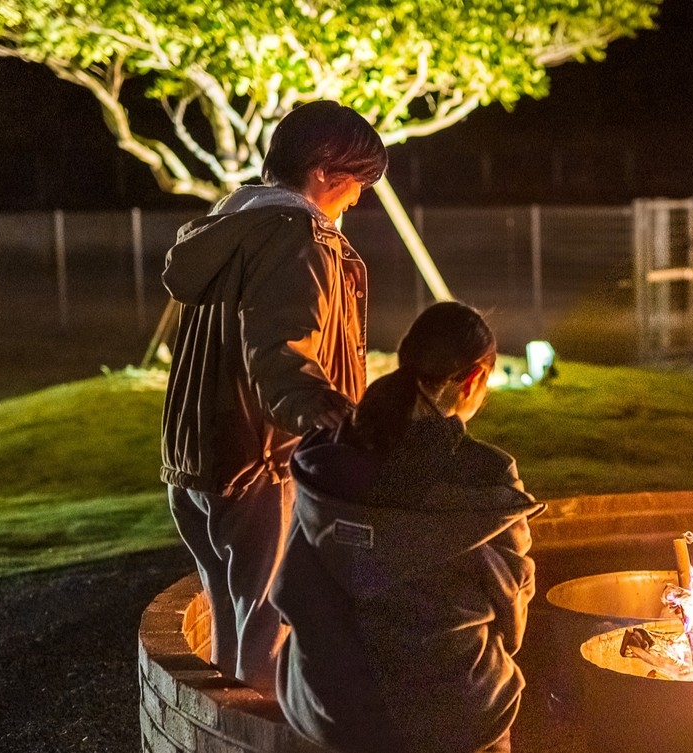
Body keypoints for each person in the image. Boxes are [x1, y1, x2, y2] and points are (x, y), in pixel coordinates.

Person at [160, 101, 387, 695]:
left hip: (199, 458)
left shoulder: (233, 224)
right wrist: (338, 423)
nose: (358, 199)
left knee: (231, 625)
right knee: (268, 632)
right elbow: (283, 352)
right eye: (358, 183)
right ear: (323, 171)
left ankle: (217, 733)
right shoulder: (295, 236)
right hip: (264, 460)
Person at [272, 301, 544, 753]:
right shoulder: (485, 475)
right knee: (483, 698)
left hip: (330, 708)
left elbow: (293, 585)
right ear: (475, 378)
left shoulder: (327, 462)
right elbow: (512, 612)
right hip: (453, 712)